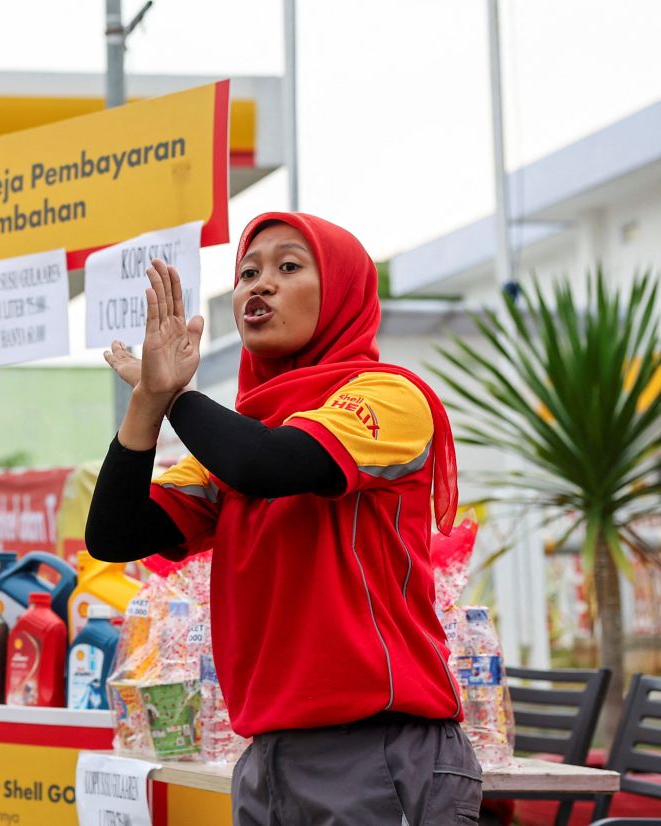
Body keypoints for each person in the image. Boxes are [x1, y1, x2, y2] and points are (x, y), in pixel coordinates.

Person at [85, 212, 483, 825]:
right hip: (269, 757)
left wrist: (179, 397)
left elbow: (268, 464)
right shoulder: (241, 440)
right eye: (247, 272)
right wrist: (146, 403)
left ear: (343, 292)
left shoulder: (388, 396)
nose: (258, 286)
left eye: (288, 267)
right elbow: (115, 534)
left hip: (378, 749)